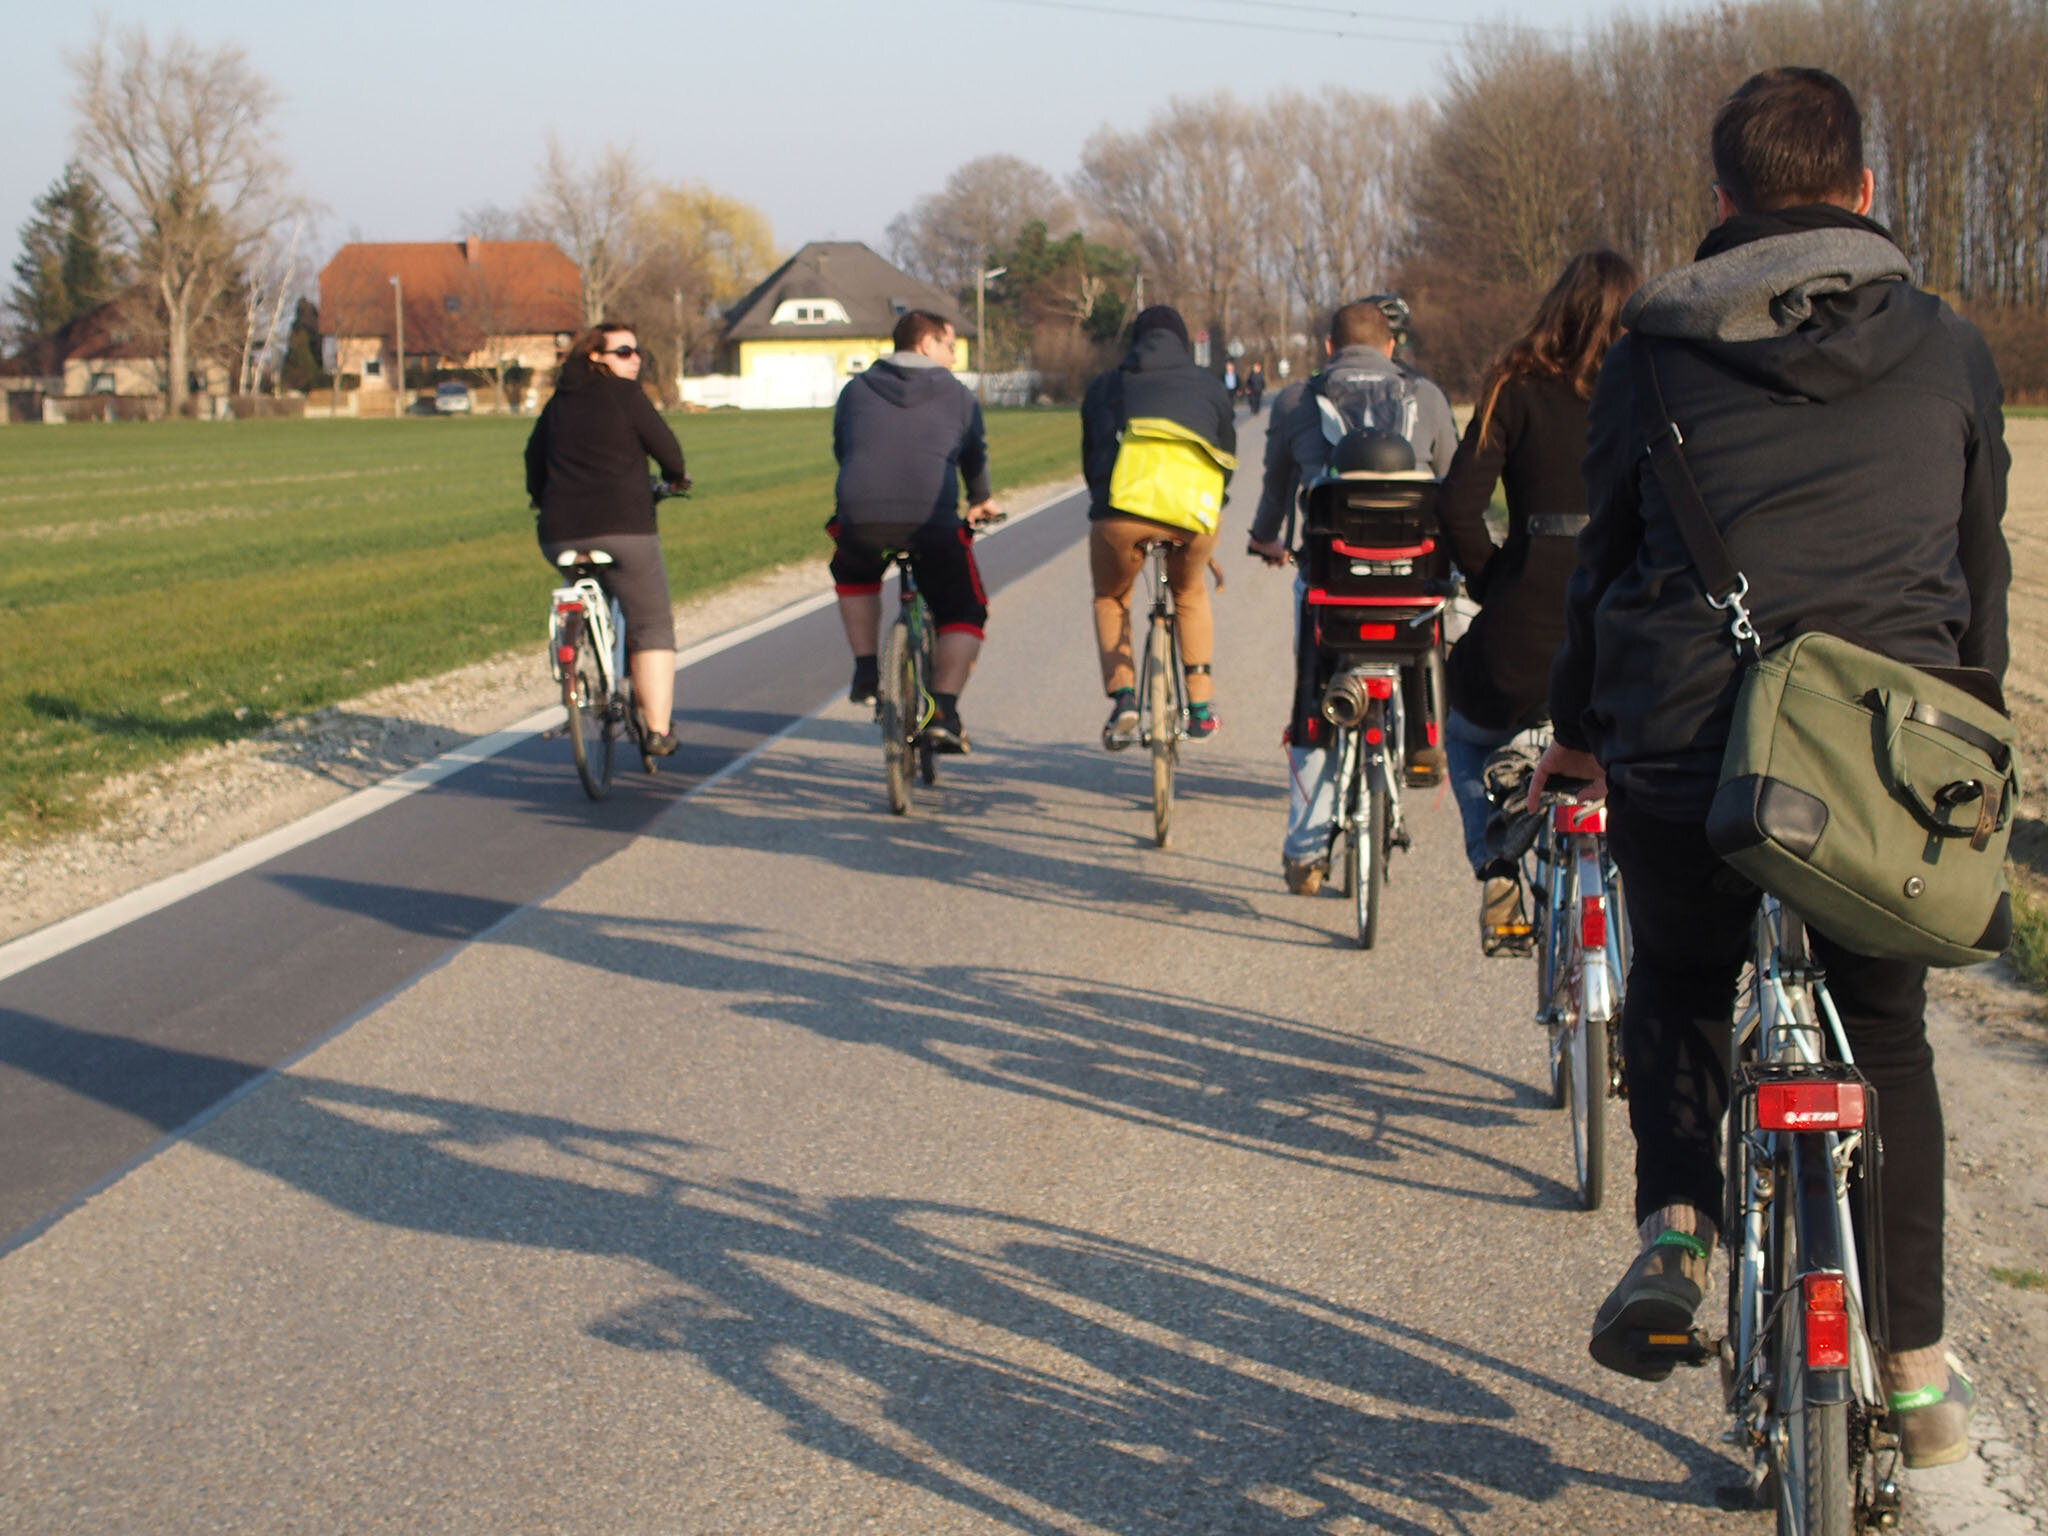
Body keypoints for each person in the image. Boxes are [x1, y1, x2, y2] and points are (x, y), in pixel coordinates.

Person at [1530, 67, 2009, 1468]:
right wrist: (1964, 742)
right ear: (1865, 192)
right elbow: (1976, 566)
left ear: (1723, 203)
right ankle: (1914, 1374)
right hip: (1886, 758)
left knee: (1681, 980)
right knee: (1891, 1035)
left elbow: (1600, 563)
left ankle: (1677, 1233)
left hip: (1688, 741)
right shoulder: (1952, 346)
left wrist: (1573, 733)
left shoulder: (1652, 350)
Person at [1434, 249, 1639, 947]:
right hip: (1625, 631)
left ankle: (1495, 861)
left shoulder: (1513, 385)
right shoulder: (1653, 386)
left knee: (1463, 735)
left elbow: (1459, 509)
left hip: (1521, 636)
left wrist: (1498, 585)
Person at [1248, 299, 1458, 895]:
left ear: (1328, 349)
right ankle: (1425, 742)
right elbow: (1455, 486)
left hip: (1331, 592)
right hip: (1412, 592)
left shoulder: (1296, 401)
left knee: (1311, 702)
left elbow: (1275, 491)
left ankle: (1305, 850)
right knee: (1433, 635)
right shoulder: (1429, 398)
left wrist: (1265, 539)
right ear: (1392, 346)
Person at [831, 309, 1000, 753]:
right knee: (966, 608)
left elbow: (843, 447)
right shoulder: (958, 394)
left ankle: (867, 670)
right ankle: (943, 709)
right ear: (926, 344)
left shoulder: (855, 389)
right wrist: (980, 500)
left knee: (853, 572)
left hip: (861, 517)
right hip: (931, 523)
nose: (953, 354)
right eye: (949, 345)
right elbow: (974, 457)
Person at [526, 319, 689, 754]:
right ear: (595, 357)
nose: (634, 359)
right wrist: (675, 479)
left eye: (638, 352)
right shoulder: (625, 396)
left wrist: (540, 499)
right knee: (651, 623)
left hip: (559, 533)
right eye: (624, 352)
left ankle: (577, 651)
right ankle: (657, 730)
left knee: (579, 581)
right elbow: (668, 450)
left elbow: (533, 458)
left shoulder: (558, 403)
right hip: (624, 529)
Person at [1080, 305, 1237, 745]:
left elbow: (1091, 460)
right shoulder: (1207, 385)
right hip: (1192, 518)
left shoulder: (1106, 387)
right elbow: (1226, 458)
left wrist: (1105, 508)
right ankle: (1201, 706)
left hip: (1120, 515)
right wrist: (1212, 506)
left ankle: (1125, 698)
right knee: (1189, 592)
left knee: (1110, 597)